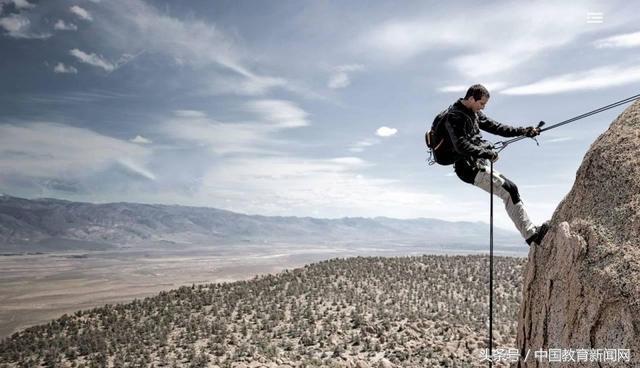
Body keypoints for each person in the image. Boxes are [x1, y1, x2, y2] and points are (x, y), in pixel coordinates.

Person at [444, 84, 549, 246]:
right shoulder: (454, 116)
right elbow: (461, 145)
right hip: (468, 169)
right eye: (481, 104)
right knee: (509, 190)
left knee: (511, 189)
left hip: (476, 165)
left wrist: (524, 131)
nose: (483, 107)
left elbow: (497, 127)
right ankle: (532, 236)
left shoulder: (474, 114)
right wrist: (487, 153)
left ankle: (531, 233)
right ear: (471, 99)